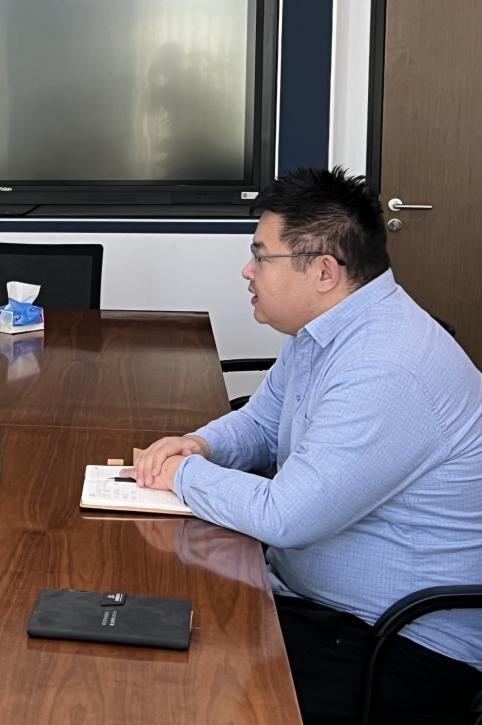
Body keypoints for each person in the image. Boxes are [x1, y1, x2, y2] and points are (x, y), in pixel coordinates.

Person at [132, 167, 482, 723]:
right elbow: (261, 424)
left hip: (400, 646)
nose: (247, 271)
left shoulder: (387, 365)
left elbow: (286, 516)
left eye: (261, 256)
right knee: (145, 633)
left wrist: (181, 475)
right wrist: (198, 444)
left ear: (323, 271)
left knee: (180, 692)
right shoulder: (324, 332)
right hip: (318, 606)